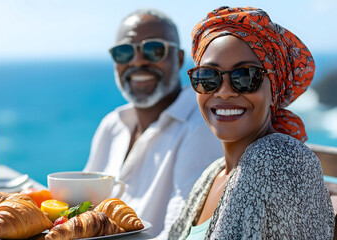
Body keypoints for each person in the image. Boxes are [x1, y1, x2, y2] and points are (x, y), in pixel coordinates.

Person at [168, 6, 335, 239]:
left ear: (273, 88)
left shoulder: (280, 159)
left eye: (246, 76)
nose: (224, 92)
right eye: (207, 77)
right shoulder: (213, 174)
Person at [83, 9, 223, 238]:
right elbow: (79, 209)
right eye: (124, 52)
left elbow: (179, 234)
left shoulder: (201, 127)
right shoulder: (112, 125)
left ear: (178, 59)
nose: (137, 60)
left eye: (154, 50)